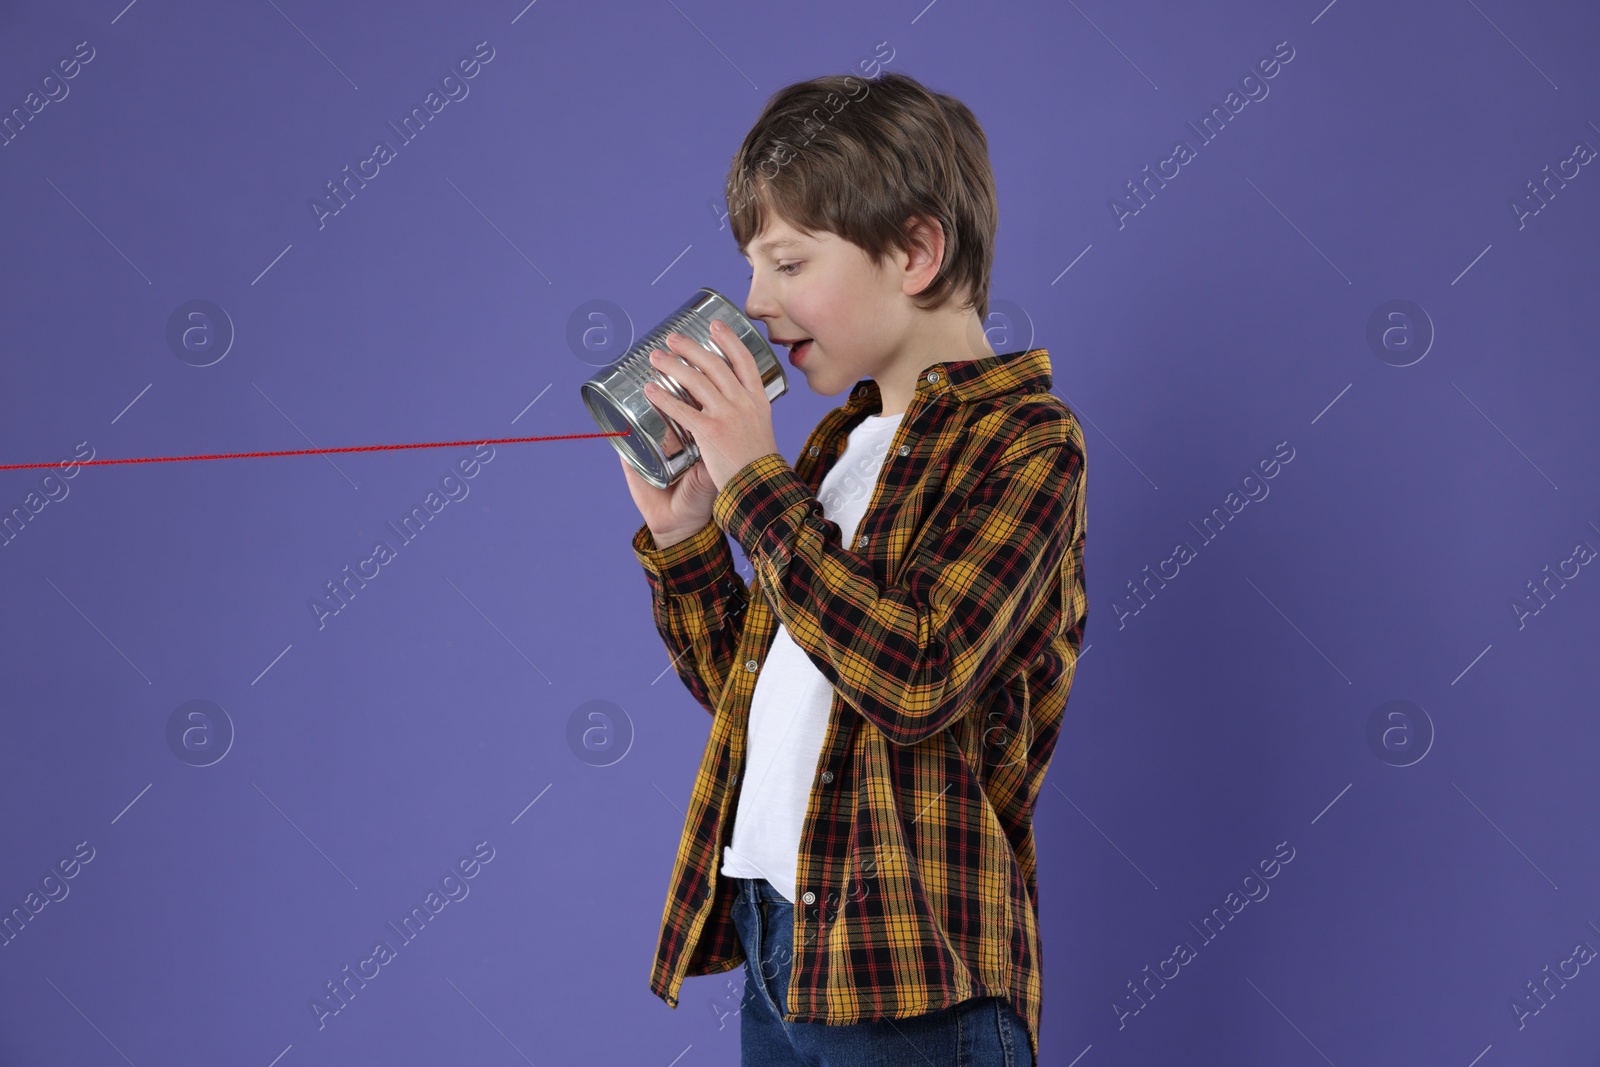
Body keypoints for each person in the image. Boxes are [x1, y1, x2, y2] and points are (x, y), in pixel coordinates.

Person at [618, 69, 1087, 1067]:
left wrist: (754, 485)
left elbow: (914, 676)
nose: (754, 302)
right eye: (751, 266)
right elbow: (757, 693)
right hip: (780, 939)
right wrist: (689, 534)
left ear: (915, 251)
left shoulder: (1025, 444)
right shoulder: (834, 451)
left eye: (787, 262)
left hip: (912, 971)